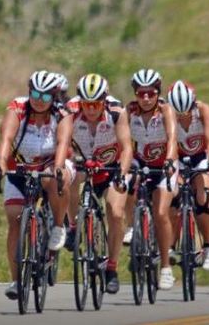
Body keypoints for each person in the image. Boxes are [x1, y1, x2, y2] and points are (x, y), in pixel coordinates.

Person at [0, 70, 74, 300]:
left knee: (53, 178)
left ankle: (59, 225)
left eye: (46, 96)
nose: (39, 100)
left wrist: (59, 167)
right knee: (14, 217)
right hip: (20, 167)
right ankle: (16, 279)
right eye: (35, 93)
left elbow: (62, 143)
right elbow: (7, 139)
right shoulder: (17, 108)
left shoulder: (62, 113)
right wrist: (1, 163)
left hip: (50, 164)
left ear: (54, 97)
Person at [66, 73, 132, 294]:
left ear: (104, 101)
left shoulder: (116, 113)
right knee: (71, 178)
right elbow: (62, 143)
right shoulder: (71, 113)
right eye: (86, 104)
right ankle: (73, 226)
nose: (91, 109)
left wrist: (122, 174)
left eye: (96, 104)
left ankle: (112, 268)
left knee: (115, 212)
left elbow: (127, 147)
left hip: (112, 168)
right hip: (85, 165)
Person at [124, 68, 178, 290]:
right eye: (141, 93)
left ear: (158, 92)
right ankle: (131, 226)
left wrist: (169, 161)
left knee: (161, 213)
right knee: (125, 183)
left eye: (151, 93)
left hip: (163, 165)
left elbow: (173, 138)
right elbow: (122, 141)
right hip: (139, 162)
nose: (145, 98)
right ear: (135, 93)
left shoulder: (165, 110)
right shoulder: (130, 111)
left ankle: (165, 267)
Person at [167, 80, 209, 271]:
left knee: (202, 197)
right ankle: (171, 246)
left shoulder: (202, 110)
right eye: (178, 113)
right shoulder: (167, 114)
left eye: (186, 110)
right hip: (178, 158)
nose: (183, 115)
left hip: (200, 157)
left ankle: (208, 246)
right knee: (173, 197)